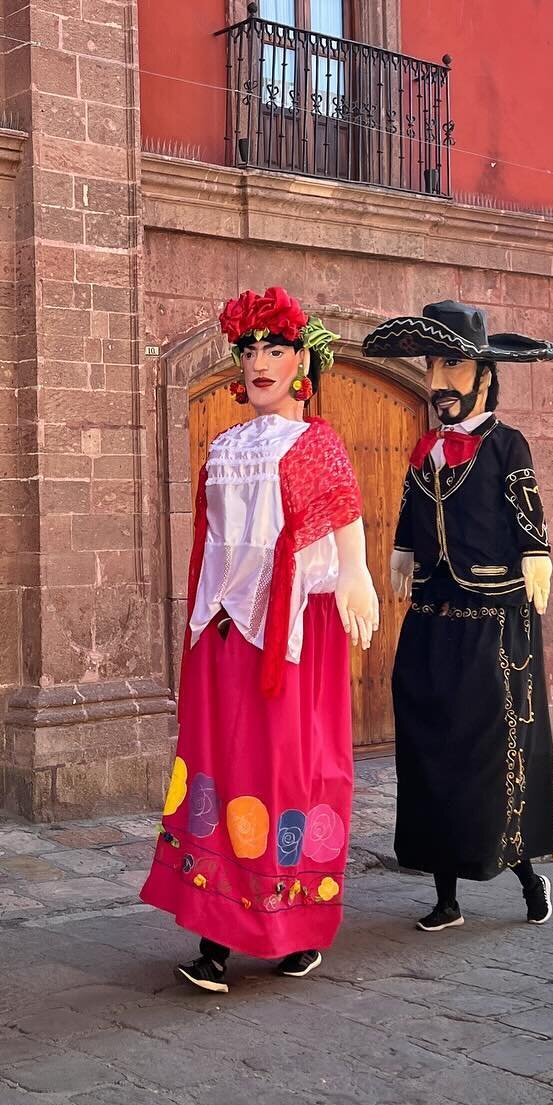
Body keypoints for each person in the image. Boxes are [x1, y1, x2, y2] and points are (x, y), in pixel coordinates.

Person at [143, 287, 379, 993]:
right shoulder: (224, 446)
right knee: (219, 772)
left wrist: (358, 574)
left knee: (284, 774)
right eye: (249, 351)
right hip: (223, 636)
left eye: (274, 350)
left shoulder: (317, 444)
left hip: (292, 640)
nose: (259, 363)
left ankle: (293, 928)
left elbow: (343, 515)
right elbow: (212, 542)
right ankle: (214, 935)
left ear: (303, 361)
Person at [362, 300, 553, 932]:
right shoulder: (424, 451)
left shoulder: (507, 445)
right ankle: (445, 897)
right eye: (432, 366)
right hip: (430, 621)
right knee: (430, 751)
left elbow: (526, 511)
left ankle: (526, 871)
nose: (438, 381)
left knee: (494, 755)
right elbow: (410, 510)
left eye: (452, 365)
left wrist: (537, 555)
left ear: (482, 373)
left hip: (494, 625)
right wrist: (399, 549)